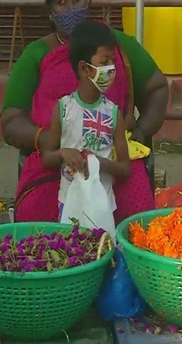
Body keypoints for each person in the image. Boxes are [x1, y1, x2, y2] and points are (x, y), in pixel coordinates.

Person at [2, 0, 169, 223]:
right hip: (57, 160)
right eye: (62, 2)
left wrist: (141, 132)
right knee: (39, 216)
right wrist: (44, 139)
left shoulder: (116, 44)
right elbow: (11, 120)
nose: (71, 9)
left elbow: (158, 87)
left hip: (113, 158)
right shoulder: (37, 55)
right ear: (51, 12)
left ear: (89, 1)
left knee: (135, 219)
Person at [42, 20, 130, 222]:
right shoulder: (63, 109)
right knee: (70, 251)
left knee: (101, 249)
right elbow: (47, 158)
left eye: (113, 62)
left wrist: (99, 163)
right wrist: (64, 154)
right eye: (104, 61)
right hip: (69, 202)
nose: (111, 69)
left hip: (102, 204)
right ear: (84, 68)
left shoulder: (113, 113)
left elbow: (125, 168)